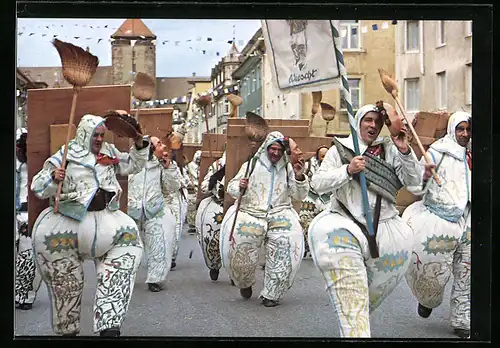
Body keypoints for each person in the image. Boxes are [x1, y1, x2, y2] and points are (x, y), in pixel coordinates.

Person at [307, 104, 427, 337]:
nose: (372, 125)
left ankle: (355, 318)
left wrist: (405, 151)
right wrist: (347, 170)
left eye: (377, 122)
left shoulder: (390, 150)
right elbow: (318, 184)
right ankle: (355, 328)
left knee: (364, 298)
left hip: (386, 228)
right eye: (368, 120)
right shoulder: (340, 150)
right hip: (346, 225)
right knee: (351, 297)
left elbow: (415, 185)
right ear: (358, 122)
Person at [30, 114, 149, 337]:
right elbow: (38, 186)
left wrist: (139, 145)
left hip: (107, 220)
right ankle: (68, 327)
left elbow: (133, 165)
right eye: (95, 135)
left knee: (128, 246)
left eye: (102, 135)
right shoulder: (66, 154)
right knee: (67, 282)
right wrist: (54, 177)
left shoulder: (110, 152)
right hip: (68, 224)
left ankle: (109, 322)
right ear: (84, 133)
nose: (99, 139)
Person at [403, 112, 471, 339]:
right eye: (460, 129)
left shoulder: (476, 153)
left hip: (468, 220)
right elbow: (416, 187)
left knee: (466, 271)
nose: (464, 134)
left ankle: (461, 319)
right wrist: (424, 174)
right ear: (452, 129)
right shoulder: (435, 152)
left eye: (468, 130)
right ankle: (427, 300)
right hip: (438, 221)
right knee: (433, 271)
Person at [220, 131, 308, 307]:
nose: (275, 153)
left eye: (279, 150)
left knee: (287, 247)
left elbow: (299, 195)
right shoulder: (251, 165)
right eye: (272, 149)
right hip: (250, 212)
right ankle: (244, 283)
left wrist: (299, 177)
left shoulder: (289, 169)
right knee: (239, 248)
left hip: (280, 215)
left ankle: (272, 294)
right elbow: (231, 187)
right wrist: (240, 186)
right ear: (266, 148)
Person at [127, 136, 180, 292]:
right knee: (128, 247)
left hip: (155, 210)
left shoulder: (163, 165)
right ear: (150, 147)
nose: (163, 146)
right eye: (159, 144)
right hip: (131, 211)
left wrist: (168, 168)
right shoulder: (133, 162)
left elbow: (172, 187)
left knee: (159, 242)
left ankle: (155, 279)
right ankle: (125, 277)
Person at [15, 128, 42, 310]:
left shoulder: (36, 166)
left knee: (27, 257)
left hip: (27, 213)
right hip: (16, 213)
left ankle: (26, 295)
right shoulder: (16, 165)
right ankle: (19, 293)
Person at [196, 151, 226, 281]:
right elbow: (204, 186)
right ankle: (214, 265)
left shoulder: (248, 164)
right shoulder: (217, 164)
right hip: (217, 204)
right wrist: (214, 181)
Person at [298, 145, 331, 259]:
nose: (324, 158)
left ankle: (321, 249)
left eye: (326, 155)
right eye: (322, 156)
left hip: (327, 199)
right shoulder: (310, 165)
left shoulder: (334, 166)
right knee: (305, 222)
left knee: (326, 225)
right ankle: (305, 247)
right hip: (311, 197)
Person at [164, 155, 188, 270]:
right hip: (156, 200)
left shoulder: (173, 165)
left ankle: (172, 255)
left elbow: (179, 183)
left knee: (176, 226)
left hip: (173, 199)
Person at [185, 150, 201, 234]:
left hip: (200, 189)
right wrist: (188, 183)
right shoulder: (189, 166)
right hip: (192, 189)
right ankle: (192, 225)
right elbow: (185, 175)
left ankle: (198, 224)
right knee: (191, 208)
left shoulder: (203, 166)